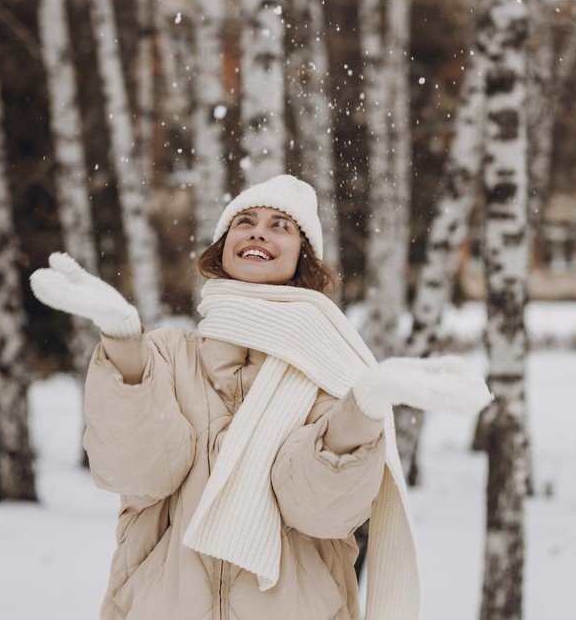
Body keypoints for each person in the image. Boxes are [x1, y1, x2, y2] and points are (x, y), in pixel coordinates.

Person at [30, 175, 491, 620]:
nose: (258, 232)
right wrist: (122, 338)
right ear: (222, 245)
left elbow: (320, 510)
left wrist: (364, 405)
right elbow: (139, 471)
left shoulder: (329, 370)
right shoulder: (166, 356)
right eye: (244, 221)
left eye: (280, 225)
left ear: (303, 257)